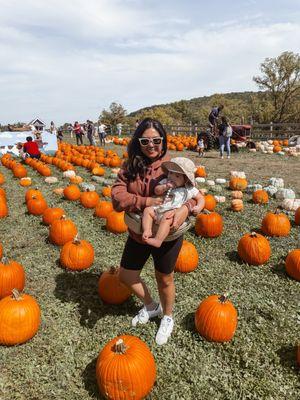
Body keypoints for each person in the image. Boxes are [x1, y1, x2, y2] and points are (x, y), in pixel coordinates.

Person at [112, 118, 205, 346]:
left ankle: (167, 316)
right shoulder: (129, 167)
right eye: (145, 140)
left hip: (168, 233)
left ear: (163, 141)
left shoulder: (174, 166)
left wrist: (186, 208)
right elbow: (117, 198)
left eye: (156, 140)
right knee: (126, 275)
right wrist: (147, 201)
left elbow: (197, 196)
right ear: (137, 142)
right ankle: (152, 306)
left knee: (164, 278)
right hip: (139, 231)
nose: (151, 145)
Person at [142, 157, 203, 248]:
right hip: (158, 209)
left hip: (172, 213)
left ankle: (158, 240)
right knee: (147, 210)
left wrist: (198, 207)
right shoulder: (165, 182)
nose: (172, 177)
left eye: (177, 176)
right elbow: (156, 190)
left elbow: (201, 198)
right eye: (170, 173)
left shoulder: (189, 189)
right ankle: (147, 230)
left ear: (185, 179)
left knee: (167, 218)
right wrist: (165, 187)